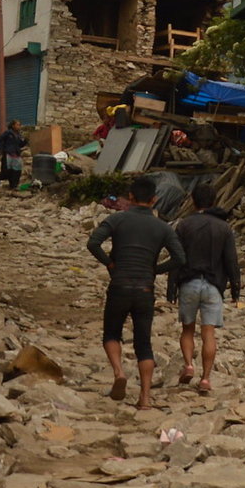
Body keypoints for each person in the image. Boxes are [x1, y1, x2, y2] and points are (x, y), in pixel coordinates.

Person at [86, 174, 187, 410]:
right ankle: (145, 398)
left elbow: (93, 243)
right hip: (145, 289)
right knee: (144, 343)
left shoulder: (117, 219)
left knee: (111, 333)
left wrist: (110, 264)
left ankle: (119, 372)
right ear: (154, 199)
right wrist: (155, 269)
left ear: (130, 197)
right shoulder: (162, 227)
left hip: (119, 285)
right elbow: (180, 258)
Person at [171, 183, 241, 394]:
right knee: (208, 332)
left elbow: (177, 258)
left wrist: (171, 287)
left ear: (193, 200)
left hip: (189, 283)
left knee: (188, 329)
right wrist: (235, 288)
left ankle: (189, 365)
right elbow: (231, 261)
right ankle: (205, 379)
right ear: (214, 201)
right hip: (213, 285)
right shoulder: (224, 227)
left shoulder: (184, 225)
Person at [0, 119, 27, 190]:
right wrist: (1, 149)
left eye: (19, 125)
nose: (19, 126)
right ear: (13, 125)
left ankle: (13, 185)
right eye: (17, 125)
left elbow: (20, 144)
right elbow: (0, 140)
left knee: (16, 170)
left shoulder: (18, 135)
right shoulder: (8, 133)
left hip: (16, 154)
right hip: (8, 154)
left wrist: (26, 141)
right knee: (6, 170)